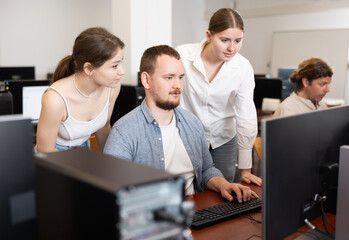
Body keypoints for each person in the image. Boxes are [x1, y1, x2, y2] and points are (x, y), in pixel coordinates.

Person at [104, 45, 258, 202]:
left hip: (196, 210)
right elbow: (112, 194)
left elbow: (206, 169)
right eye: (169, 77)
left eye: (180, 77)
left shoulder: (191, 122)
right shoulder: (124, 132)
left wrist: (223, 184)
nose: (177, 85)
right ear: (146, 80)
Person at [176, 8, 261, 185]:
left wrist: (245, 170)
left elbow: (246, 115)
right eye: (224, 40)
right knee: (187, 190)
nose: (232, 48)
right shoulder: (182, 56)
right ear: (209, 35)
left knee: (224, 190)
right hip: (187, 137)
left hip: (223, 138)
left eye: (238, 41)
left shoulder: (243, 67)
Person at [36, 27, 125, 152]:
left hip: (82, 151)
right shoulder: (55, 99)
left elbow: (103, 128)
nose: (122, 71)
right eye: (115, 66)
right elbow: (44, 150)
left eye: (121, 62)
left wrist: (115, 161)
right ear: (89, 68)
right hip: (54, 157)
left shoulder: (112, 87)